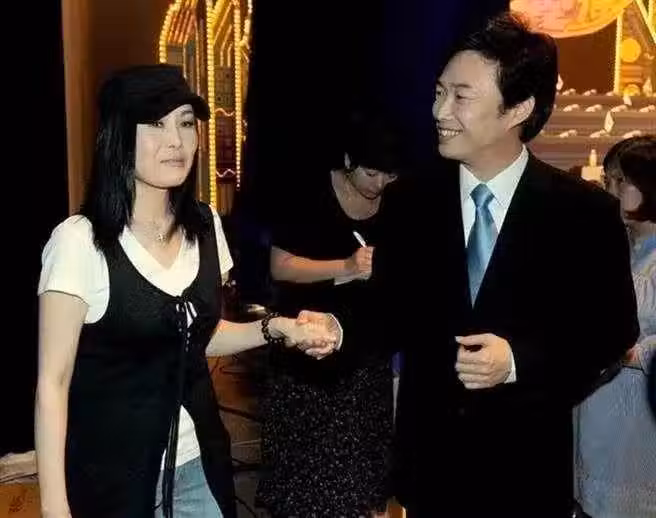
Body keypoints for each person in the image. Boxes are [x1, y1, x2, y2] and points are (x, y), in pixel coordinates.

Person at [35, 64, 339, 518]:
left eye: (184, 122)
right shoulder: (79, 242)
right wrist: (54, 506)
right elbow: (53, 383)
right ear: (119, 136)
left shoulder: (204, 224)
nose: (176, 140)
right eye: (156, 124)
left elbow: (198, 336)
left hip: (199, 463)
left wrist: (279, 328)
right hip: (111, 476)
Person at [375, 13, 639, 518]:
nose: (439, 111)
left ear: (518, 108)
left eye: (460, 96)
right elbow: (387, 314)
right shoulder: (408, 202)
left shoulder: (583, 213)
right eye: (438, 93)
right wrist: (335, 327)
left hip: (527, 473)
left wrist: (518, 360)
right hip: (430, 473)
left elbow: (611, 332)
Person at [255, 109, 406, 517]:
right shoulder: (308, 192)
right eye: (371, 173)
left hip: (366, 356)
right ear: (348, 160)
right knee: (306, 486)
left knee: (362, 486)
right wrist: (346, 267)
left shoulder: (399, 200)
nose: (379, 184)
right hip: (307, 356)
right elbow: (281, 267)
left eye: (389, 175)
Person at [575, 135, 656, 518]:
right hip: (597, 408)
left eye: (618, 181)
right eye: (606, 180)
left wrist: (628, 352)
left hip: (640, 414)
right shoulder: (614, 244)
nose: (608, 190)